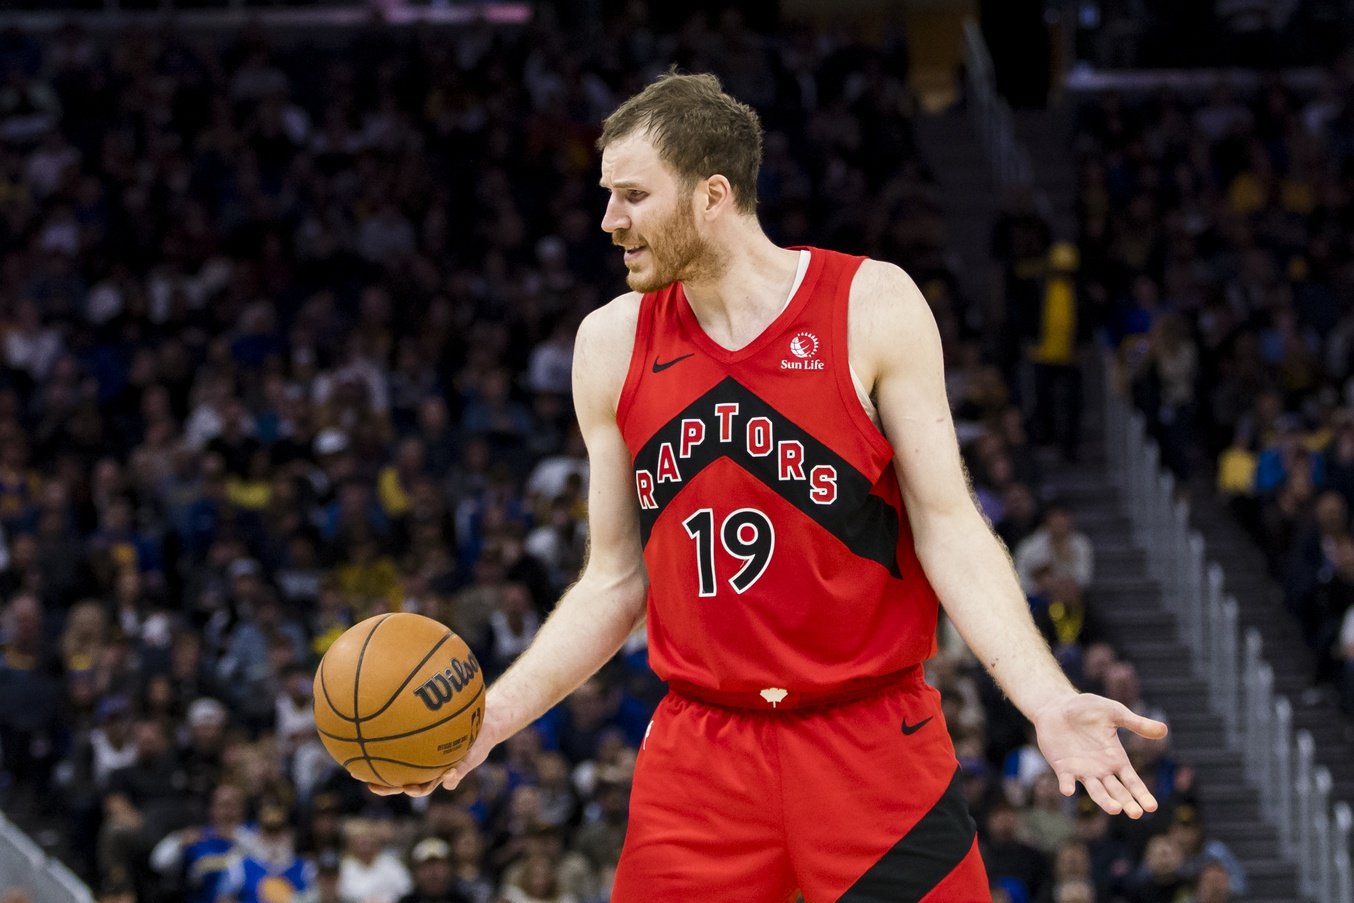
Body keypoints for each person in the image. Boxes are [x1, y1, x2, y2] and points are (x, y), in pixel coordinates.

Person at [367, 71, 1167, 901]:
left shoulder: (872, 303)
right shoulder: (608, 343)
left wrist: (1046, 699)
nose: (610, 221)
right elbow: (613, 579)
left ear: (713, 195)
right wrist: (493, 718)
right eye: (608, 196)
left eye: (633, 195)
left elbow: (951, 526)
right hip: (702, 753)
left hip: (869, 737)